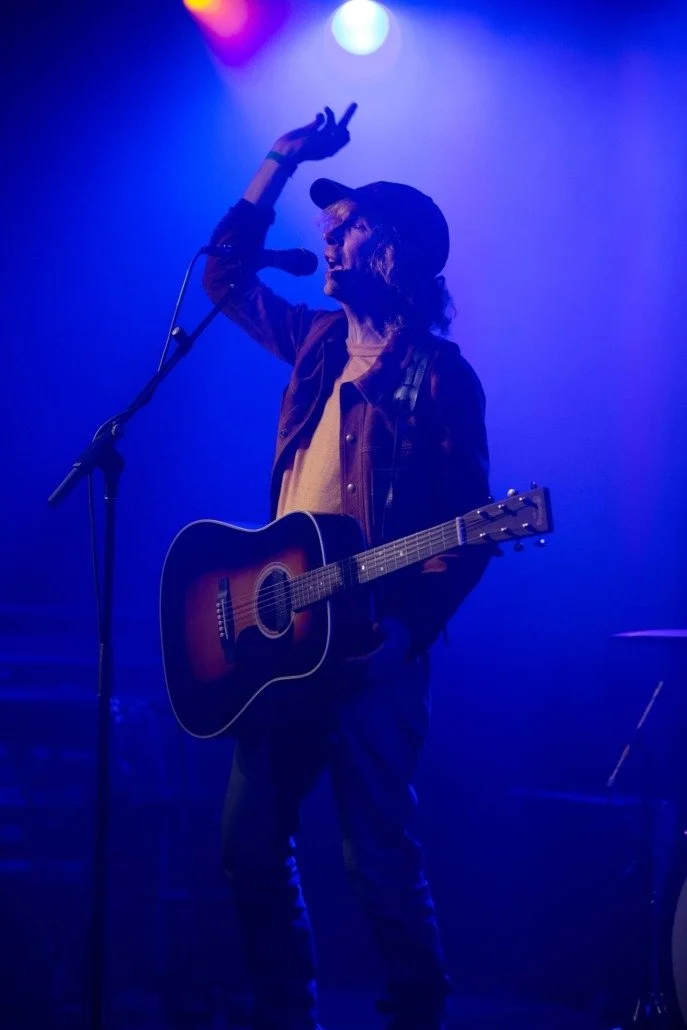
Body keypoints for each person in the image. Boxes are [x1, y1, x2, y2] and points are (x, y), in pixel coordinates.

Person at [203, 105, 491, 1030]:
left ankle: (418, 1014)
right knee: (249, 846)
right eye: (328, 226)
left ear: (397, 253)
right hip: (281, 634)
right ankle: (286, 1016)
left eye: (350, 225)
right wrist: (278, 164)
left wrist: (408, 628)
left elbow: (472, 528)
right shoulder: (318, 344)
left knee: (378, 862)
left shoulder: (441, 376)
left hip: (372, 646)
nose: (328, 236)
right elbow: (221, 275)